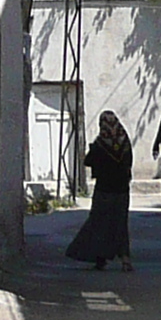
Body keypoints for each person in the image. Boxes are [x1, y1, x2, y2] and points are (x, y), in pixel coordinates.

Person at [64, 111, 136, 271]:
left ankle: (100, 257)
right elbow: (129, 161)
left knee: (99, 222)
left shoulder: (100, 143)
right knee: (120, 223)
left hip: (104, 189)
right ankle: (125, 259)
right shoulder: (125, 142)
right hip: (122, 189)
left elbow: (88, 161)